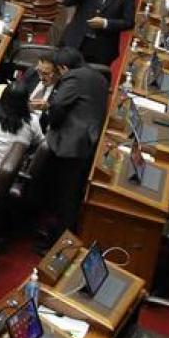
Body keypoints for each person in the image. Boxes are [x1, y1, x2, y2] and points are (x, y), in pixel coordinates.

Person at [35, 47, 108, 251]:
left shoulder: (72, 78)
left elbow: (57, 106)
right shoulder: (97, 75)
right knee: (70, 192)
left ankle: (58, 246)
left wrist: (48, 118)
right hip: (89, 139)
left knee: (67, 196)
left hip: (73, 145)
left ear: (64, 68)